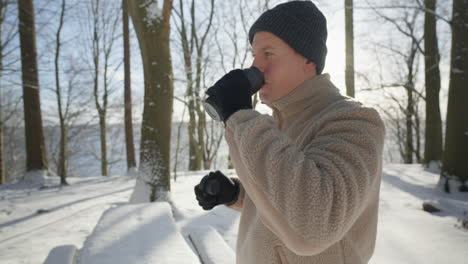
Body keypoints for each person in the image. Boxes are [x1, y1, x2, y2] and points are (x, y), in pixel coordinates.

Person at [194, 1, 385, 263]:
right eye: (254, 55)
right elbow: (281, 198)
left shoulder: (355, 121)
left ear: (308, 60)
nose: (256, 66)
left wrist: (240, 117)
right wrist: (237, 194)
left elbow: (314, 225)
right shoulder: (273, 124)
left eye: (268, 54)